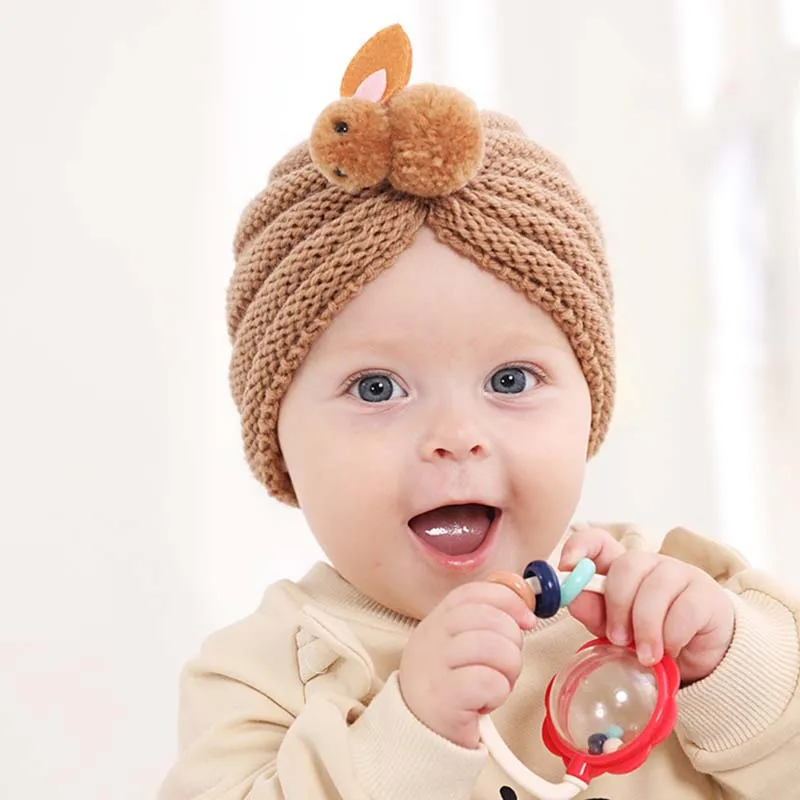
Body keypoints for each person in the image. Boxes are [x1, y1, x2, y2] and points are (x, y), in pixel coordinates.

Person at [158, 24, 800, 800]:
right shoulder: (262, 679)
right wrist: (410, 736)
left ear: (589, 405)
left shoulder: (671, 604)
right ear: (279, 445)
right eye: (376, 389)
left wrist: (728, 671)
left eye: (511, 379)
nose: (456, 438)